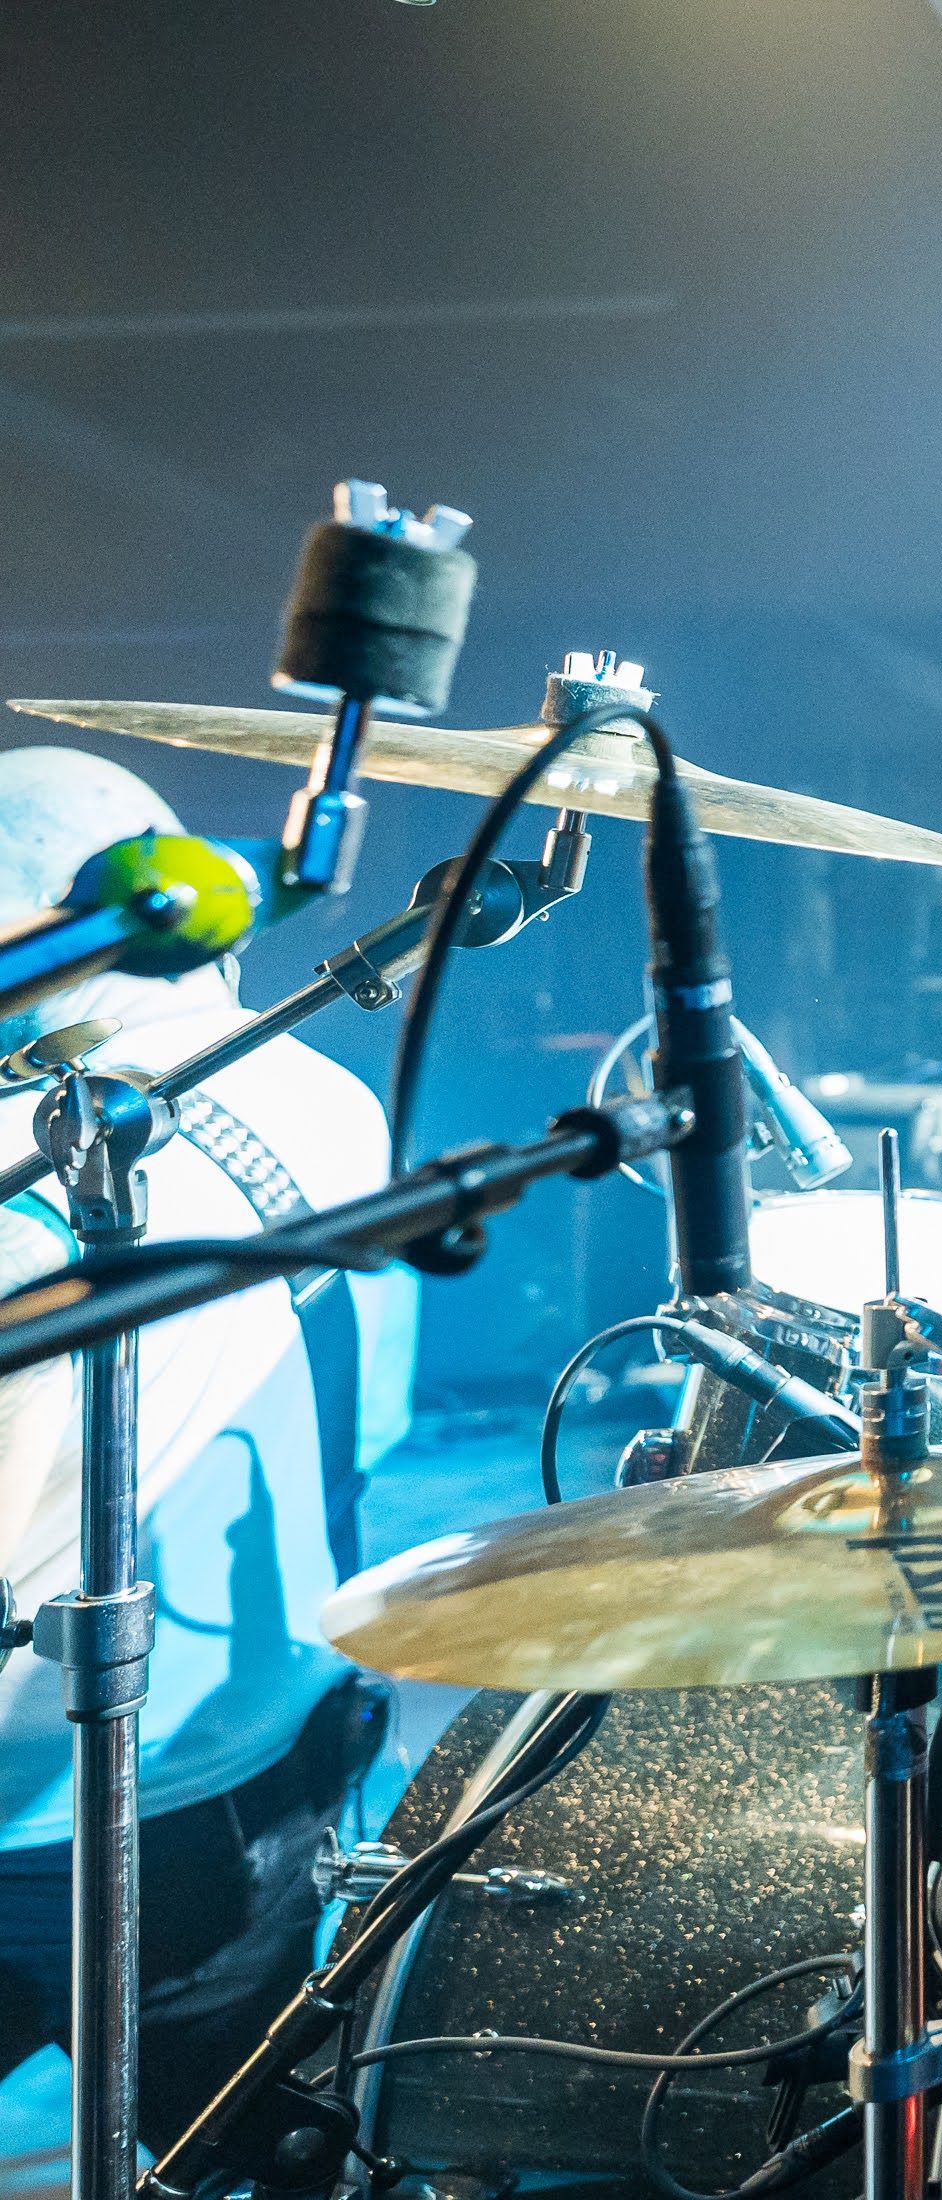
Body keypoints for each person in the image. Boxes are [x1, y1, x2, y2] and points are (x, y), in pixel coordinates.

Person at [0, 747, 416, 2140]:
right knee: (229, 2151)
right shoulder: (332, 1100)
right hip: (257, 1761)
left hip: (28, 1810)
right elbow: (368, 1417)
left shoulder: (24, 1168)